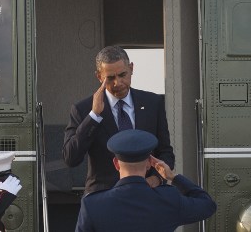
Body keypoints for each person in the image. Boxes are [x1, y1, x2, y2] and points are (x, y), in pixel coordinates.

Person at [63, 45, 175, 194]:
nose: (118, 83)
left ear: (131, 68)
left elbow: (165, 152)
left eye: (123, 75)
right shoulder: (83, 110)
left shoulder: (153, 103)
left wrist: (156, 180)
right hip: (103, 198)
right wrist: (94, 116)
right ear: (99, 76)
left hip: (147, 195)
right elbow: (71, 158)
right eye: (110, 78)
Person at [75, 129, 216, 232]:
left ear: (116, 164)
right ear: (149, 163)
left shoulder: (92, 205)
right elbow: (208, 205)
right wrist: (173, 177)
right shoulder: (169, 199)